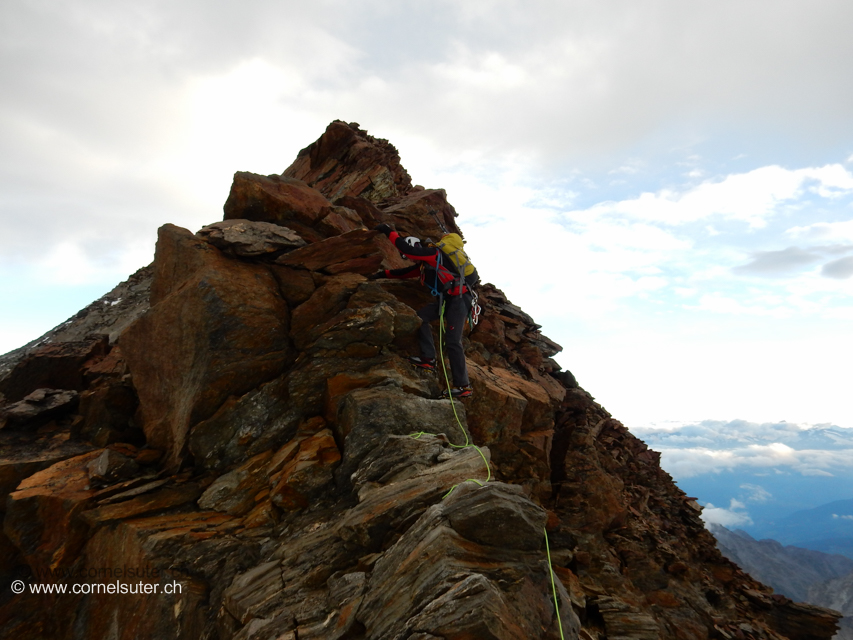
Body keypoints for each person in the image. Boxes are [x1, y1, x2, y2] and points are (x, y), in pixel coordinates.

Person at [371, 223, 479, 398]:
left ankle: (463, 386)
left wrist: (387, 230)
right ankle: (428, 360)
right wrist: (381, 275)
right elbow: (404, 273)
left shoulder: (433, 253)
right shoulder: (426, 264)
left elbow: (405, 248)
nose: (411, 258)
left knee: (453, 340)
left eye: (410, 254)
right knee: (420, 318)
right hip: (447, 300)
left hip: (460, 300)